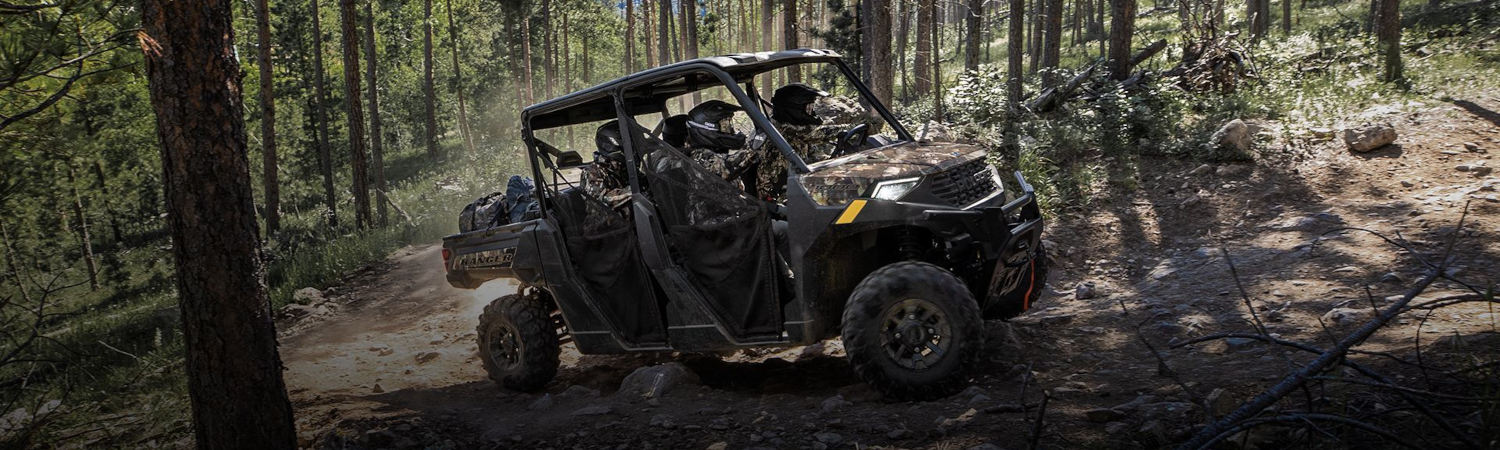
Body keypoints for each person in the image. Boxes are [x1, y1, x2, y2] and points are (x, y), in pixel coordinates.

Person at [684, 100, 758, 188]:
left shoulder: (715, 153)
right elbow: (729, 167)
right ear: (708, 127)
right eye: (725, 126)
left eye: (730, 124)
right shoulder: (699, 157)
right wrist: (755, 145)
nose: (731, 130)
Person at [582, 120, 633, 207]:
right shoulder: (592, 171)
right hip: (608, 219)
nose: (631, 145)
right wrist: (634, 190)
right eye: (626, 142)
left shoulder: (625, 165)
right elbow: (601, 200)